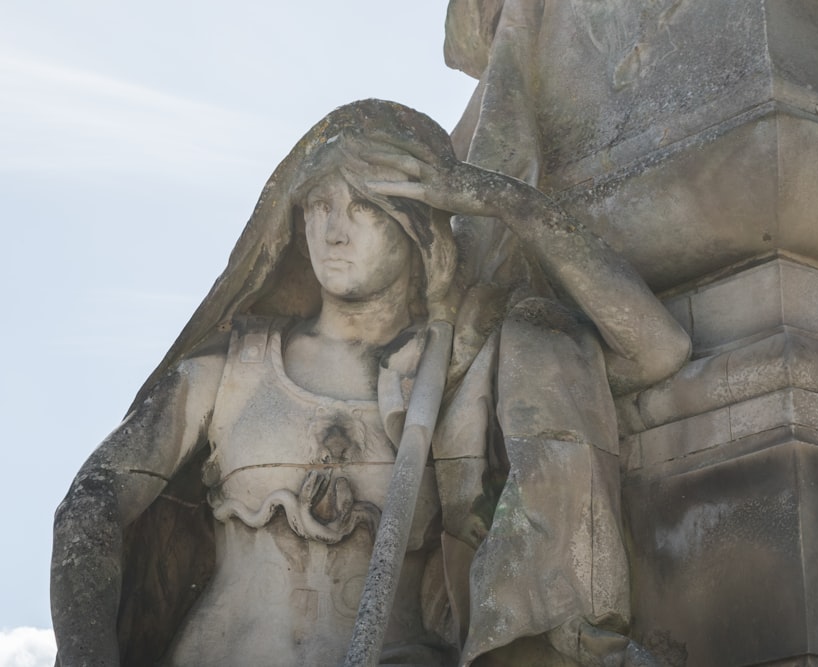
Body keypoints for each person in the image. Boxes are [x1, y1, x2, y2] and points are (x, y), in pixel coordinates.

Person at [51, 99, 690, 666]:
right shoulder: (230, 367)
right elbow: (92, 501)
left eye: (364, 208)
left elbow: (657, 349)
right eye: (320, 206)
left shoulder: (467, 367)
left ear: (416, 226)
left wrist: (505, 201)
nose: (334, 231)